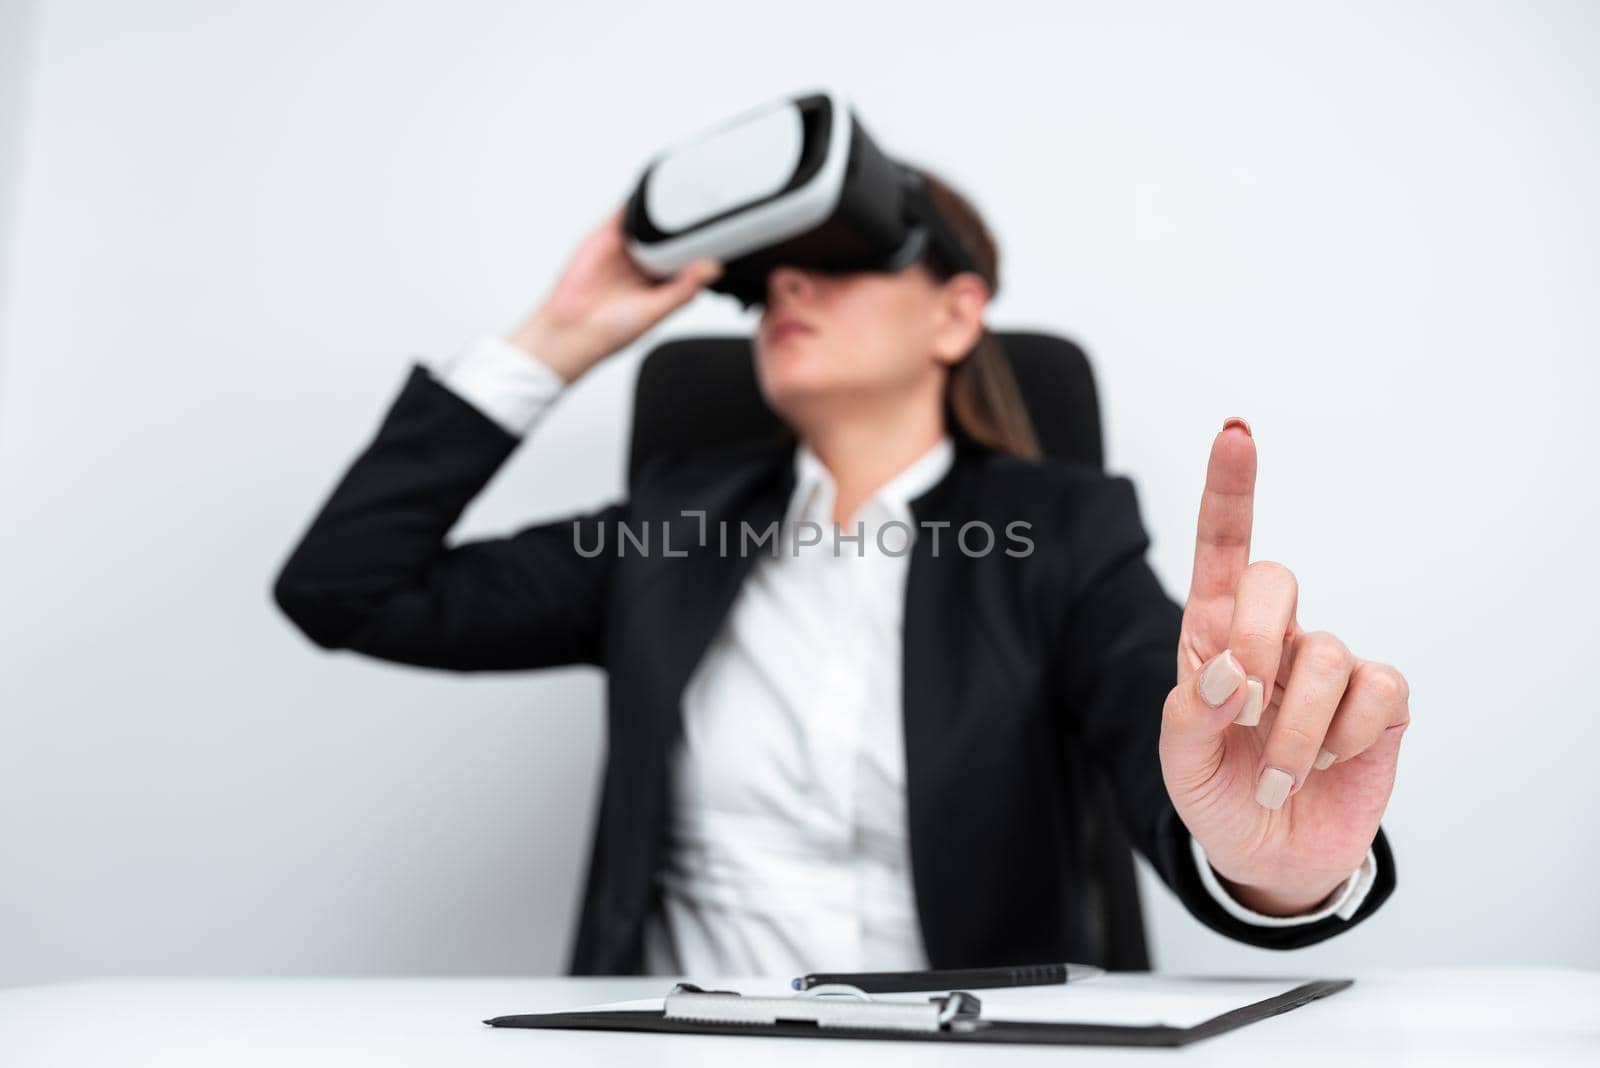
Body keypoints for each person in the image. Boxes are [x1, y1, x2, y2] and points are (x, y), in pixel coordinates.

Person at [272, 169, 1409, 977]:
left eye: (839, 260)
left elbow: (1172, 753)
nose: (788, 291)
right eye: (769, 278)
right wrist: (559, 334)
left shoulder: (1060, 532)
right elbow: (346, 590)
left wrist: (1274, 868)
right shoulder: (674, 527)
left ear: (956, 314)